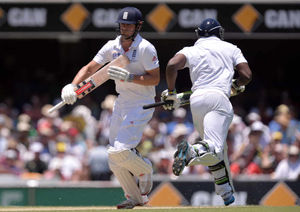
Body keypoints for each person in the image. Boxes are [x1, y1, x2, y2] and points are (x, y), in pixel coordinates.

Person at [60, 7, 160, 209]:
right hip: (122, 101)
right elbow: (90, 69)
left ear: (138, 26)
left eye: (129, 24)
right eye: (122, 24)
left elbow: (156, 78)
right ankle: (135, 198)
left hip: (142, 102)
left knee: (120, 151)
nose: (124, 27)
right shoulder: (111, 46)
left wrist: (130, 77)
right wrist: (72, 86)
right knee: (113, 158)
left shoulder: (145, 48)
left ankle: (146, 169)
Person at [161, 18, 252, 206]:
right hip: (219, 99)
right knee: (214, 148)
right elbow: (246, 75)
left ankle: (225, 192)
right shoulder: (231, 48)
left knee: (216, 149)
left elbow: (171, 65)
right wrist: (236, 84)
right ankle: (189, 153)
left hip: (197, 101)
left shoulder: (190, 50)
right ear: (219, 32)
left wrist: (171, 93)